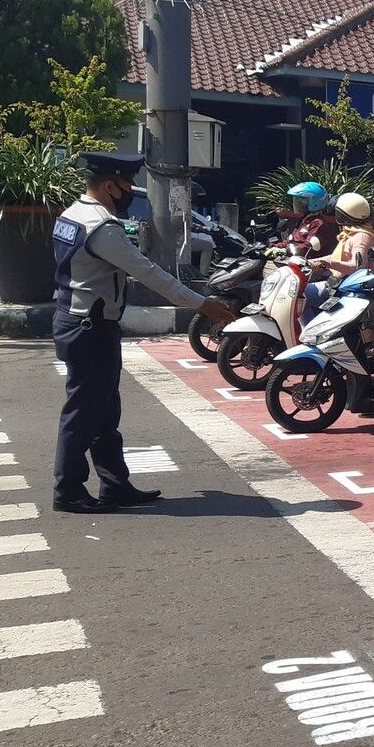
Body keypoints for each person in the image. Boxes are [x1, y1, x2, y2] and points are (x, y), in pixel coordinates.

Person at [51, 152, 236, 513]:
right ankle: (69, 490)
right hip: (90, 327)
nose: (128, 195)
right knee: (84, 412)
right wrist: (202, 304)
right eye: (125, 187)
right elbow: (150, 274)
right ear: (109, 186)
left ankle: (114, 485)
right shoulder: (101, 228)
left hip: (78, 320)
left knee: (103, 411)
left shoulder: (71, 215)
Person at [300, 193, 374, 327]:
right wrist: (309, 263)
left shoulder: (360, 236)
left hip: (353, 288)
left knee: (302, 294)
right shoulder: (351, 233)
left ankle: (307, 333)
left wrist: (328, 264)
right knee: (303, 290)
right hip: (344, 283)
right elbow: (336, 257)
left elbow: (357, 267)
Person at [268, 181, 338, 259]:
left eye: (302, 200)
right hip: (294, 260)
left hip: (311, 265)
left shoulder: (318, 223)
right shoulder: (304, 220)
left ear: (315, 202)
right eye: (296, 200)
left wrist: (285, 251)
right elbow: (291, 240)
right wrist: (273, 246)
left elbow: (308, 247)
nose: (297, 203)